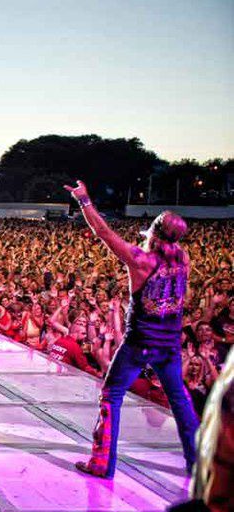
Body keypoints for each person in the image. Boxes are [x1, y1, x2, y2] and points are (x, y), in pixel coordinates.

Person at [65, 181, 199, 478]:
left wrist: (84, 199)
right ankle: (199, 463)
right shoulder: (183, 259)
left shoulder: (141, 260)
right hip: (169, 345)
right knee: (180, 400)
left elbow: (103, 232)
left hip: (139, 342)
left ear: (155, 232)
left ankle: (101, 462)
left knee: (111, 395)